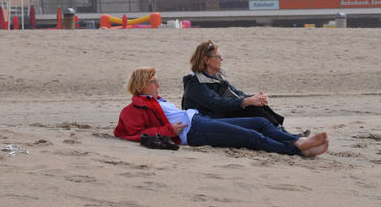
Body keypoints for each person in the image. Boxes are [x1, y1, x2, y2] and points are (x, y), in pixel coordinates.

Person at [114, 67, 328, 158]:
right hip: (193, 131)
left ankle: (297, 141)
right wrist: (168, 130)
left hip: (199, 120)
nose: (158, 84)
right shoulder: (133, 108)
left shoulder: (157, 100)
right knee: (250, 137)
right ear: (142, 85)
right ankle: (296, 151)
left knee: (258, 122)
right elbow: (134, 134)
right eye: (154, 81)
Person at [182, 40, 291, 130]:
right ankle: (281, 133)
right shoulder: (195, 83)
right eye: (219, 57)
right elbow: (216, 103)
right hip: (206, 121)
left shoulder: (216, 77)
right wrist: (247, 101)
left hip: (218, 114)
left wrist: (256, 98)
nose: (222, 59)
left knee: (256, 105)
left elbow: (236, 94)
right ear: (207, 60)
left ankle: (281, 130)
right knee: (252, 108)